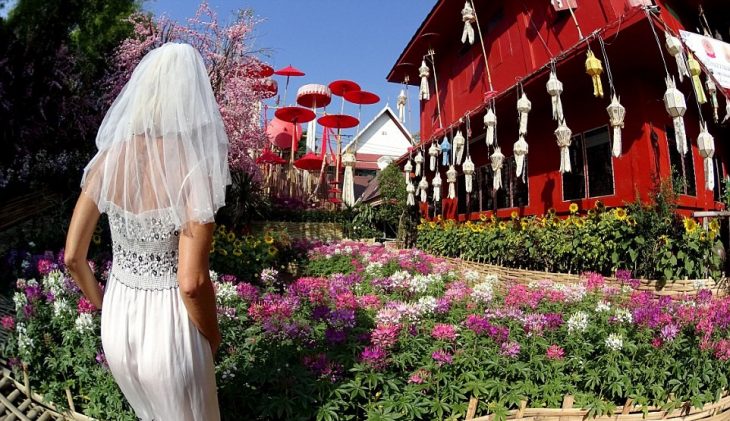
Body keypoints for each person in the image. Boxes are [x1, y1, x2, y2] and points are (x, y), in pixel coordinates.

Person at [64, 42, 229, 421]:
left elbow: (73, 257)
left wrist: (108, 308)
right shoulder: (192, 171)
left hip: (119, 323)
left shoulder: (107, 161)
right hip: (170, 328)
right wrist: (212, 337)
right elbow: (191, 282)